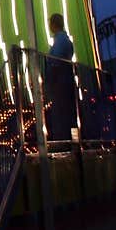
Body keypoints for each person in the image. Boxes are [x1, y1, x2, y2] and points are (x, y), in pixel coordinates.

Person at [46, 12, 76, 144]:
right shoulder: (65, 41)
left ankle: (63, 143)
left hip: (60, 84)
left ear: (53, 24)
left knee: (61, 115)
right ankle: (70, 141)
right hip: (64, 82)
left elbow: (55, 62)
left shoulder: (60, 42)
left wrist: (49, 78)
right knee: (67, 115)